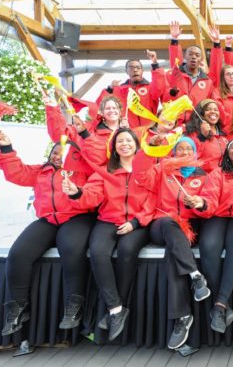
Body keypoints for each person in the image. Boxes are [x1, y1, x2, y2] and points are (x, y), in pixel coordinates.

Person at [0, 130, 96, 335]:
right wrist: (6, 148)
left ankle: (74, 306)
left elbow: (95, 193)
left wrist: (78, 191)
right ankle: (18, 309)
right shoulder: (42, 171)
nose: (58, 156)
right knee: (18, 254)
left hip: (76, 217)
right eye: (55, 152)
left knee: (70, 247)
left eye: (63, 153)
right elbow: (16, 172)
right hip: (49, 219)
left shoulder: (84, 171)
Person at [62, 128, 155, 341]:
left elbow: (154, 200)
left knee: (126, 251)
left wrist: (135, 222)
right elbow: (92, 195)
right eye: (119, 141)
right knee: (97, 252)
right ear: (114, 147)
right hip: (108, 221)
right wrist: (77, 192)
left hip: (137, 223)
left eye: (128, 140)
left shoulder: (146, 169)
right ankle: (115, 308)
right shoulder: (105, 171)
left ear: (136, 145)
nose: (124, 144)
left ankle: (118, 306)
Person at [132, 136, 211, 349]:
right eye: (180, 148)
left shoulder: (203, 175)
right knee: (169, 224)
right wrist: (150, 149)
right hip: (162, 224)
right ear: (173, 151)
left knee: (172, 255)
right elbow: (140, 174)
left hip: (189, 228)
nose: (184, 152)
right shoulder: (161, 170)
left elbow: (210, 205)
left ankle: (183, 317)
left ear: (195, 152)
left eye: (189, 149)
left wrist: (199, 203)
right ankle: (195, 275)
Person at [197, 139, 233, 333]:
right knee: (208, 244)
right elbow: (210, 198)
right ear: (227, 153)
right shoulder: (217, 174)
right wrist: (202, 204)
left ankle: (219, 304)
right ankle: (223, 305)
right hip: (218, 214)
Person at [95, 51, 165, 128]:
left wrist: (155, 63)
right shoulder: (119, 90)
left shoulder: (150, 87)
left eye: (138, 67)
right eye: (131, 68)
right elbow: (99, 106)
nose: (135, 70)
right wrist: (109, 89)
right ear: (126, 71)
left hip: (149, 130)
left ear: (142, 71)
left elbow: (159, 87)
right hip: (127, 133)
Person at [166, 21, 216, 125]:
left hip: (196, 124)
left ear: (201, 59)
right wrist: (174, 39)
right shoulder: (176, 74)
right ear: (185, 57)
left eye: (197, 55)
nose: (193, 57)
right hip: (174, 123)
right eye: (191, 54)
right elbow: (174, 60)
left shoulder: (207, 82)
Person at [184, 99, 229, 173]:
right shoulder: (192, 133)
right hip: (202, 178)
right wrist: (202, 136)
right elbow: (189, 158)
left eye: (216, 109)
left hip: (220, 179)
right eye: (208, 109)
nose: (213, 112)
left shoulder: (224, 135)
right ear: (201, 113)